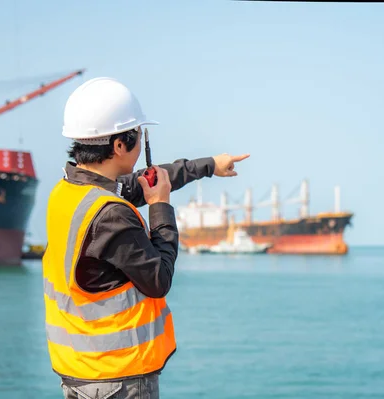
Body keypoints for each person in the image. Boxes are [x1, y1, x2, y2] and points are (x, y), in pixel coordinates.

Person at [42, 77, 249, 399]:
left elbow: (145, 182)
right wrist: (161, 206)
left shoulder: (68, 190)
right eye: (139, 136)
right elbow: (158, 279)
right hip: (117, 378)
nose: (141, 145)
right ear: (120, 145)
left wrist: (208, 166)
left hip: (81, 368)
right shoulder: (110, 213)